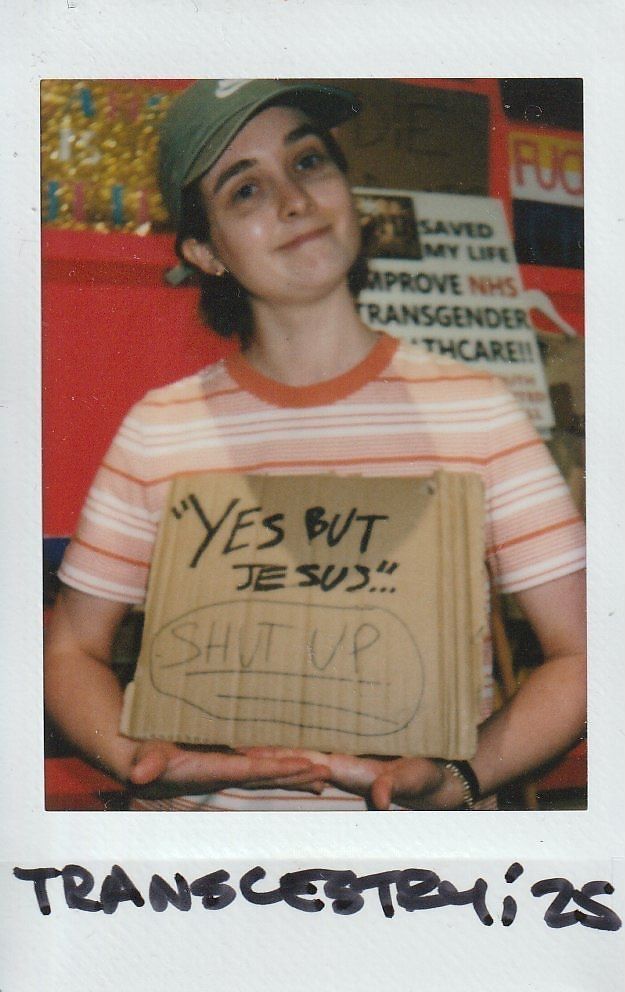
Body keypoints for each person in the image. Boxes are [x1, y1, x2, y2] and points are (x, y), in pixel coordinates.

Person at [45, 78, 586, 811]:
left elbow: (586, 653)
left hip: (408, 876)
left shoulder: (476, 414)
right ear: (205, 250)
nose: (293, 201)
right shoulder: (160, 427)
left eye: (307, 163)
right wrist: (138, 759)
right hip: (204, 876)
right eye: (244, 190)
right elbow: (70, 647)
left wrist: (459, 779)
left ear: (348, 191)